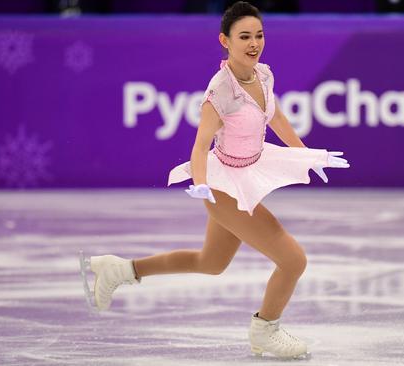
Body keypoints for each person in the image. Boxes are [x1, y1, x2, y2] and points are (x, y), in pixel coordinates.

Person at [79, 1, 349, 360]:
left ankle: (121, 270)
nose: (254, 43)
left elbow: (277, 119)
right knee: (293, 260)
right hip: (222, 186)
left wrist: (306, 154)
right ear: (225, 40)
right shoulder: (220, 91)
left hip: (246, 173)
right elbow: (200, 145)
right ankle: (265, 330)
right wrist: (203, 184)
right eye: (244, 37)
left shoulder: (263, 75)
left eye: (259, 35)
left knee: (211, 262)